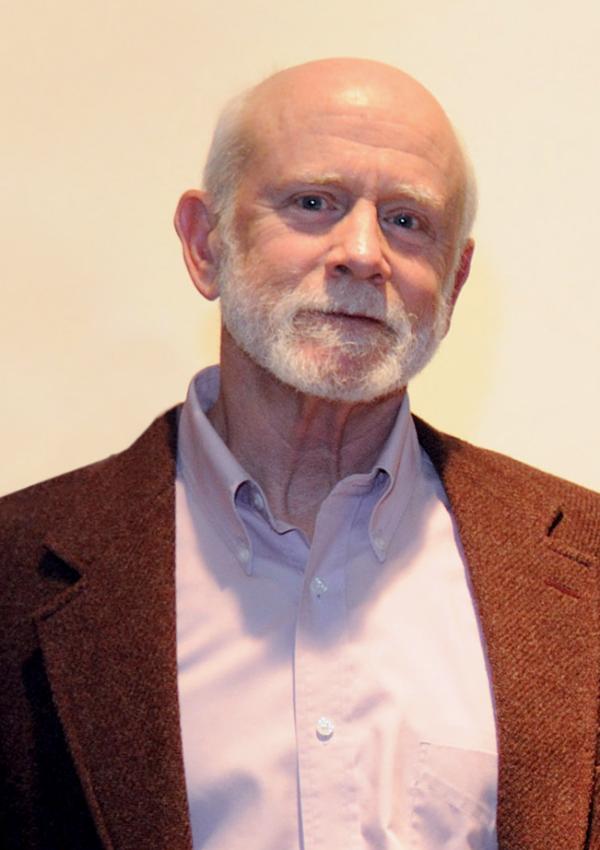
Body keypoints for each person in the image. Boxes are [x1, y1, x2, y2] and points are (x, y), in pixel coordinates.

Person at [1, 58, 599, 850]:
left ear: (453, 283)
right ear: (206, 242)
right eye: (313, 204)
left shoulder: (582, 562)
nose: (363, 253)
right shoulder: (16, 573)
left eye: (407, 221)